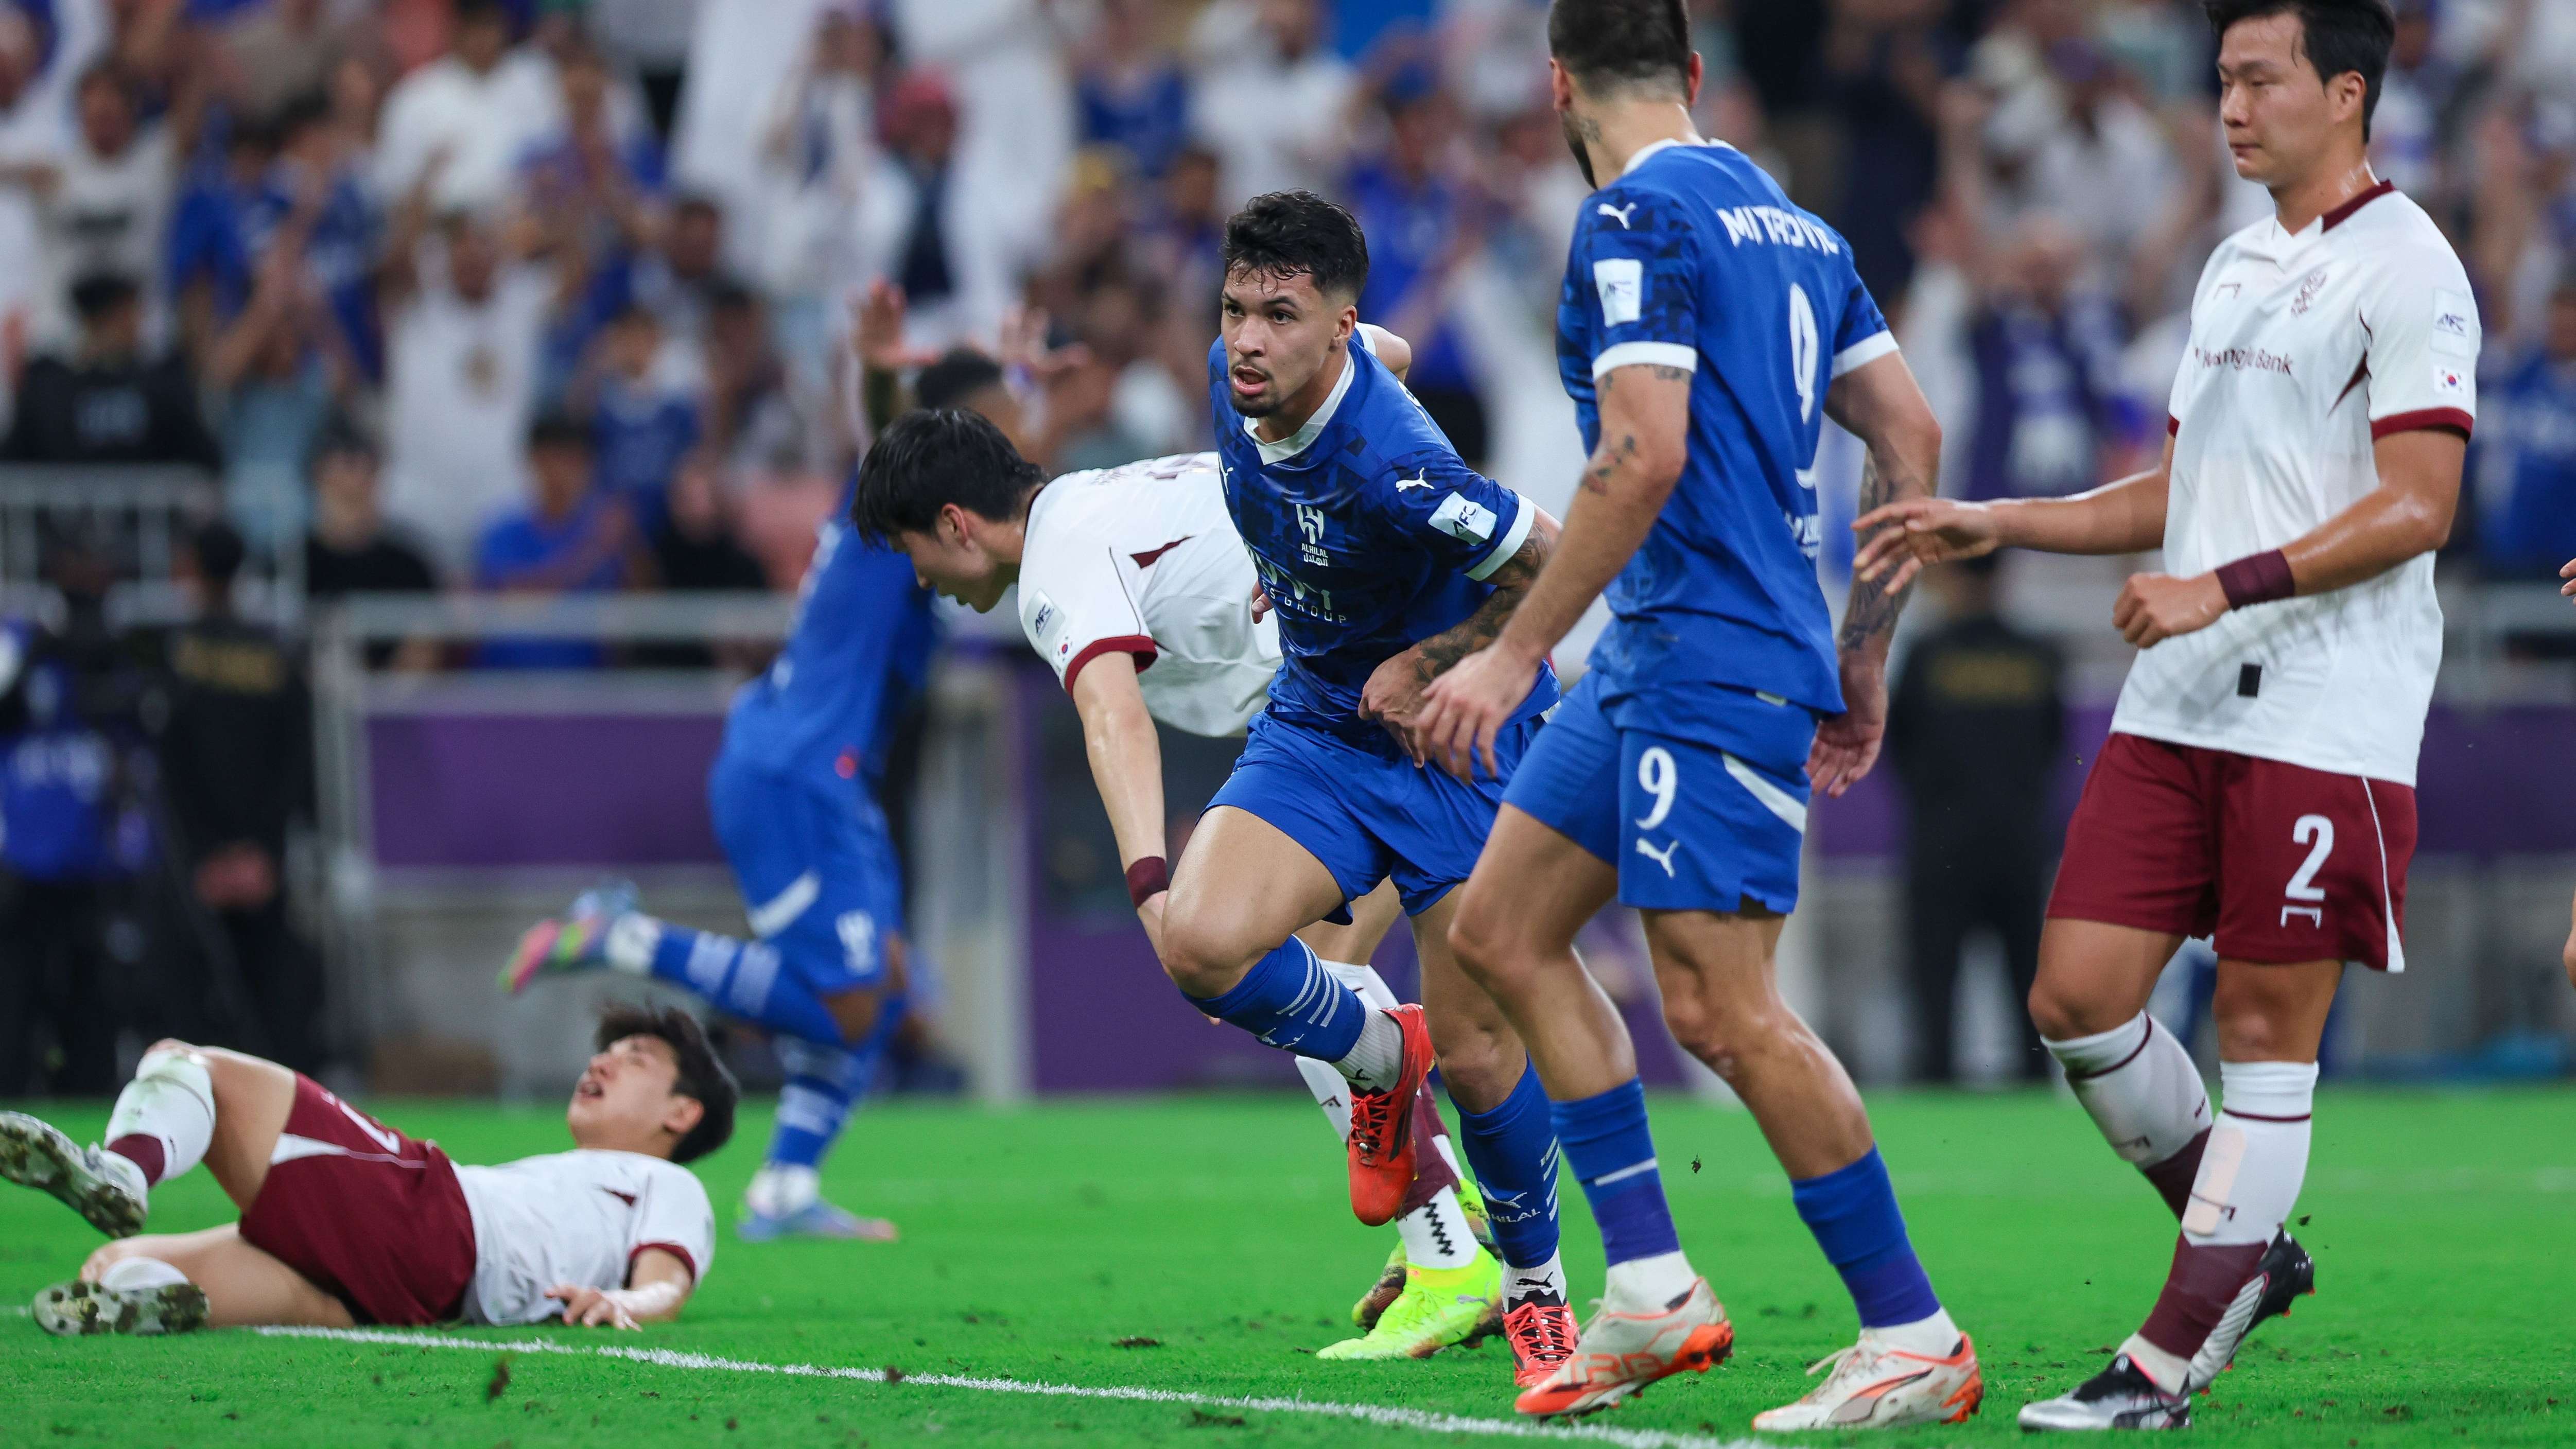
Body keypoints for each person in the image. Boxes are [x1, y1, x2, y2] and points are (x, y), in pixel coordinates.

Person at [1853, 0, 2473, 1429]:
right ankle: (2242, 1245)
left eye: (2259, 80)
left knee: (2262, 1022)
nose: (2231, 107)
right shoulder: (2235, 261)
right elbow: (2173, 494)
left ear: (2346, 90)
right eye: (2221, 81)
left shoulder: (2412, 269)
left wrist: (2224, 583)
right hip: (2181, 698)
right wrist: (1995, 521)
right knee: (2073, 996)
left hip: (2323, 706)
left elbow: (2417, 507)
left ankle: (2167, 1354)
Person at [1414, 0, 1980, 1426]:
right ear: (1694, 74)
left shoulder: (1628, 220)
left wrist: (1505, 653)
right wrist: (1864, 646)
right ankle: (1653, 1285)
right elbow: (1908, 434)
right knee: (1496, 931)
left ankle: (1912, 1327)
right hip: (1670, 654)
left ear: (1556, 84)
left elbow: (1638, 452)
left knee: (1721, 1008)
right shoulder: (1792, 224)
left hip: (1707, 654)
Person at [854, 399, 1513, 1363]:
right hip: (1373, 680)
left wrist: (1152, 890)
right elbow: (1376, 360)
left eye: (913, 549)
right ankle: (1453, 1233)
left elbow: (1112, 719)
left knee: (1289, 976)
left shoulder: (1053, 567)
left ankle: (1455, 1255)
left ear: (955, 523)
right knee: (1328, 972)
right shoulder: (1096, 501)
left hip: (1381, 698)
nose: (920, 578)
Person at [1140, 190, 1579, 1389]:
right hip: (1320, 727)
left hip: (1450, 746)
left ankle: (1536, 1295)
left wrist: (1430, 660)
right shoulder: (1257, 385)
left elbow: (1551, 569)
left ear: (1330, 325)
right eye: (1234, 309)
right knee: (1198, 943)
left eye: (1277, 315)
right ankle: (1383, 1056)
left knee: (1489, 1069)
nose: (1244, 339)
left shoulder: (1395, 464)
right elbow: (1375, 351)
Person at [507, 448, 938, 1243]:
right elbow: (900, 422)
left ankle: (786, 1186)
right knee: (848, 1002)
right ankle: (623, 934)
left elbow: (890, 421)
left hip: (836, 777)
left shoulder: (874, 512)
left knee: (888, 978)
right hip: (804, 775)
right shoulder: (902, 519)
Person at [0, 1003, 733, 1336]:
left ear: (682, 1113)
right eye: (608, 1049)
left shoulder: (672, 1182)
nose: (601, 1060)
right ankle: (151, 1298)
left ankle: (125, 1173)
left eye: (636, 1059)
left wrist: (636, 1301)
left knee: (186, 1063)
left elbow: (667, 1273)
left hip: (433, 1216)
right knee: (110, 1265)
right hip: (421, 1292)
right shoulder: (566, 1174)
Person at [1887, 555, 2066, 1085]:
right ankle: (2033, 1110)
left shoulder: (1926, 654)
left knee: (1935, 991)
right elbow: (2053, 745)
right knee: (2026, 989)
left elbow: (1900, 746)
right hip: (2019, 844)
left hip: (1940, 847)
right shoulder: (2038, 655)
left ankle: (1937, 1094)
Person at [156, 521, 321, 1075]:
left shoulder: (175, 655)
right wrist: (265, 851)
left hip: (197, 860)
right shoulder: (277, 655)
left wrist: (203, 853)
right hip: (263, 856)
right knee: (271, 990)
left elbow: (172, 767)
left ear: (193, 570)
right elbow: (297, 761)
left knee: (195, 986)